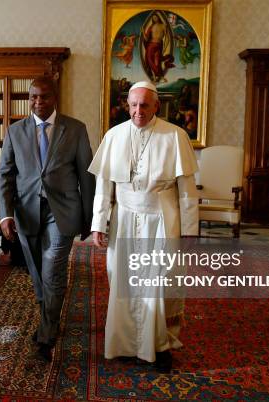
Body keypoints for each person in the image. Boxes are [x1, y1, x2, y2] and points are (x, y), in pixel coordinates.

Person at [88, 81, 199, 372]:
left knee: (159, 285)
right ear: (128, 105)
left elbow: (187, 189)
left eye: (145, 105)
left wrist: (189, 229)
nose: (138, 111)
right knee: (122, 281)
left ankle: (159, 347)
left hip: (162, 220)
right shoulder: (114, 135)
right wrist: (98, 223)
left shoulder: (175, 136)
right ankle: (125, 344)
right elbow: (104, 186)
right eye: (134, 105)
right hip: (124, 218)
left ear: (156, 106)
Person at [0, 77, 95, 361]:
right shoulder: (15, 131)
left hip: (62, 213)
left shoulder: (75, 129)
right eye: (34, 97)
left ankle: (46, 335)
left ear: (55, 98)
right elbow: (4, 174)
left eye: (44, 97)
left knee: (53, 270)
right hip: (26, 213)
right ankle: (48, 312)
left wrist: (90, 221)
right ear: (28, 98)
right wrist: (5, 214)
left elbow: (86, 176)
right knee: (39, 275)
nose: (38, 102)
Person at [142, 14, 175, 82]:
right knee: (150, 61)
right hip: (151, 45)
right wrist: (143, 32)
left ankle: (159, 76)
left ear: (158, 18)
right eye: (153, 18)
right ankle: (156, 77)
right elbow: (146, 38)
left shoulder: (163, 25)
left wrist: (165, 47)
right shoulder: (151, 27)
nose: (155, 19)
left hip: (159, 45)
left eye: (156, 17)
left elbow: (167, 38)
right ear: (152, 19)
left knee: (157, 62)